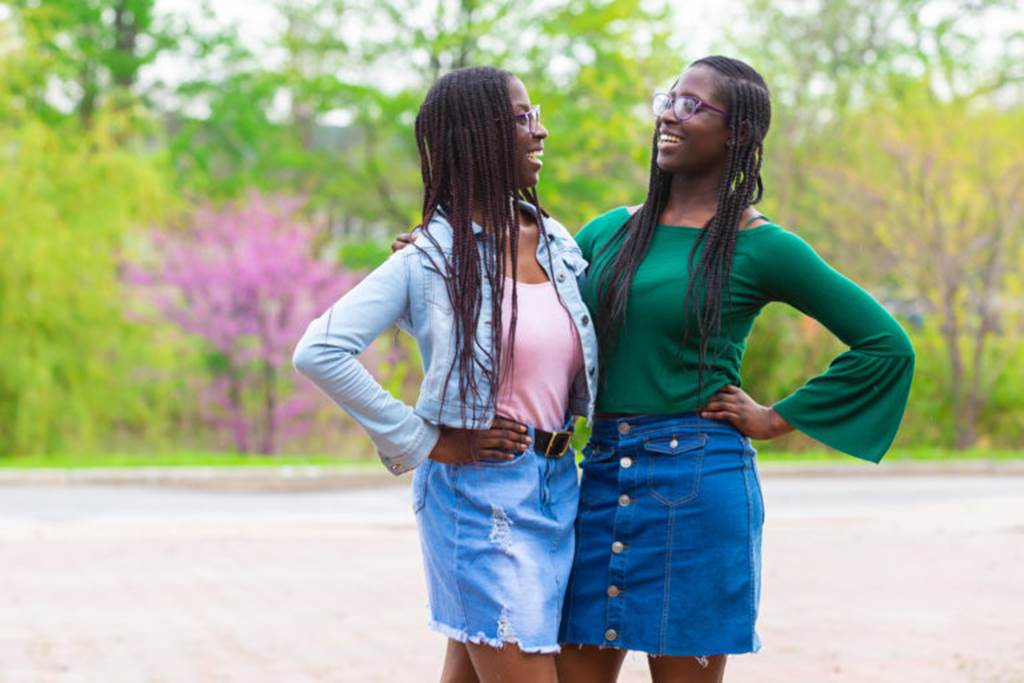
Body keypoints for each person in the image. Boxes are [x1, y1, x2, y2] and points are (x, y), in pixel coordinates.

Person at [552, 56, 915, 683]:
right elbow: (531, 306)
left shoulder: (761, 246)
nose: (669, 113)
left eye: (692, 105)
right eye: (668, 98)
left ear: (739, 134)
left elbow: (885, 344)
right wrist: (434, 251)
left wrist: (777, 418)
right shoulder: (609, 231)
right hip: (599, 477)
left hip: (695, 486)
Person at [293, 66, 599, 683]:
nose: (540, 132)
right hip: (479, 498)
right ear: (478, 136)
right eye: (522, 119)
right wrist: (429, 441)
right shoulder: (431, 258)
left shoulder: (558, 242)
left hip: (559, 486)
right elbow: (320, 350)